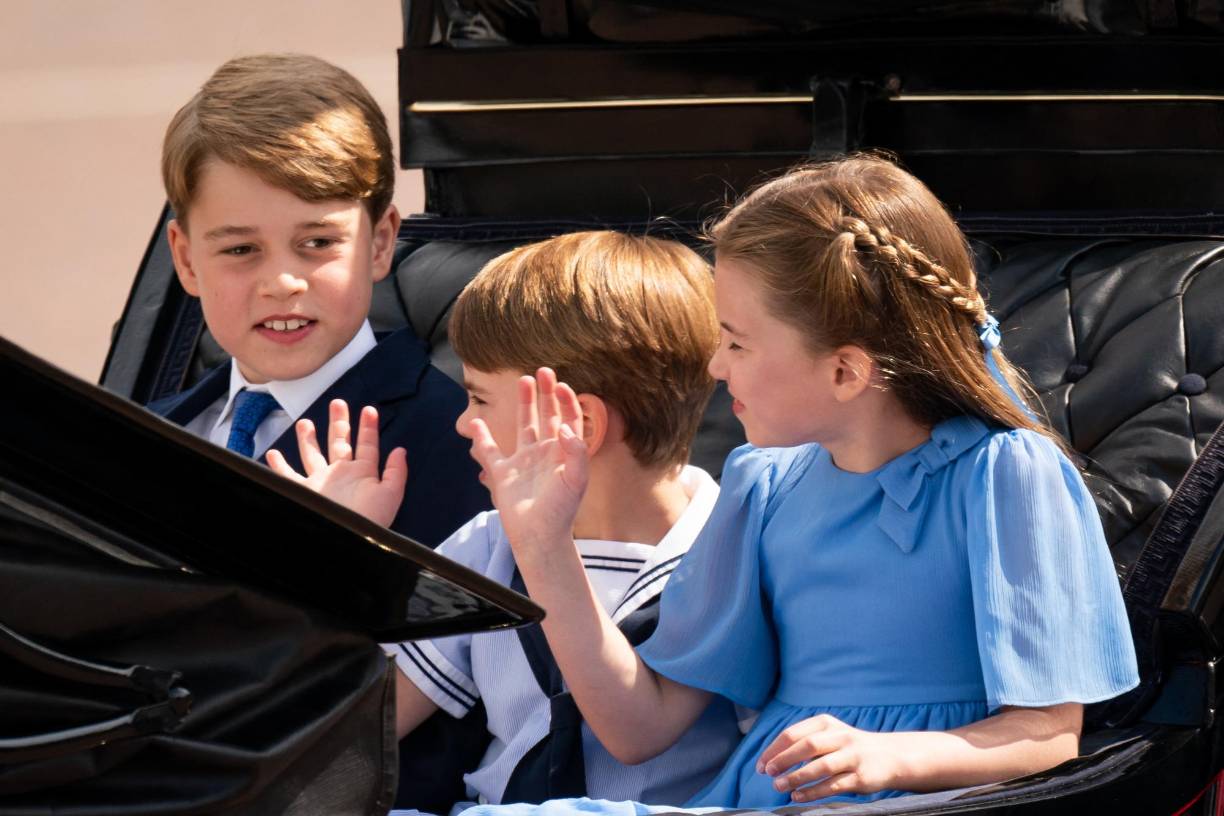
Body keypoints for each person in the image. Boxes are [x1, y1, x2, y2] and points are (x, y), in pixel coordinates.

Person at [454, 156, 1141, 811]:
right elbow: (638, 729)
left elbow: (1049, 738)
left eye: (737, 342)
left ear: (844, 371)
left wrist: (890, 757)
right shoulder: (763, 486)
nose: (716, 367)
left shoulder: (1005, 474)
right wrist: (543, 546)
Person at [271, 231, 742, 811]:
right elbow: (350, 729)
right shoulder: (485, 546)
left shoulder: (729, 549)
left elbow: (635, 737)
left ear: (578, 425)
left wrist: (542, 546)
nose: (461, 423)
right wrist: (341, 559)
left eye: (480, 400)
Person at [146, 53, 488, 547]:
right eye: (240, 249)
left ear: (380, 243)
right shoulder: (141, 435)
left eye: (318, 242)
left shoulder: (464, 446)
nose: (282, 283)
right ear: (186, 259)